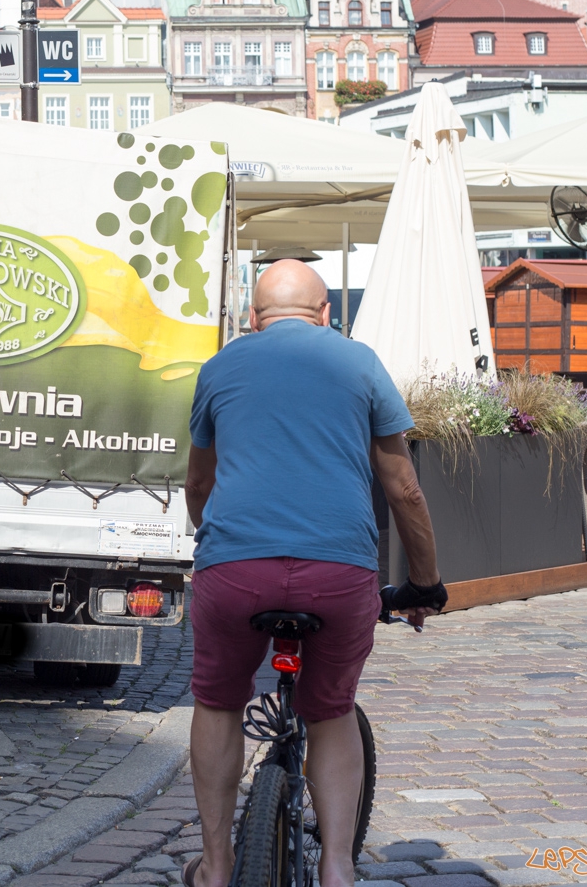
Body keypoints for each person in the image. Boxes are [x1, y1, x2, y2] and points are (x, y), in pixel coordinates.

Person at [181, 260, 446, 887]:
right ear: (327, 313)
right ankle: (337, 867)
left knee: (218, 701)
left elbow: (198, 483)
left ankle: (215, 867)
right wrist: (425, 583)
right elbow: (404, 489)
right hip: (338, 570)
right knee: (330, 710)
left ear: (253, 318)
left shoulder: (219, 368)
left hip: (235, 570)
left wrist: (219, 544)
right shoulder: (360, 363)